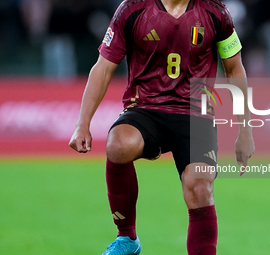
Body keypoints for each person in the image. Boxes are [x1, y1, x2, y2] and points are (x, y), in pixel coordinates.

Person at [69, 0, 255, 254]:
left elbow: (235, 70)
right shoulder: (132, 9)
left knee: (199, 187)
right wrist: (83, 123)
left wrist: (245, 131)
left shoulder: (216, 12)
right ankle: (127, 239)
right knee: (118, 144)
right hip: (146, 108)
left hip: (196, 116)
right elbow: (102, 68)